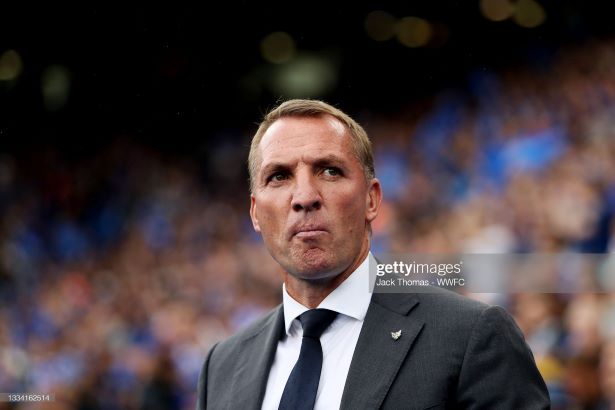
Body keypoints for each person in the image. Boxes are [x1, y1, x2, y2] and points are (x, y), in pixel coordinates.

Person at [196, 99, 550, 409]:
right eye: (279, 176)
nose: (304, 196)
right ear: (255, 213)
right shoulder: (222, 367)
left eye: (329, 171)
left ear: (371, 199)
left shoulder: (471, 337)